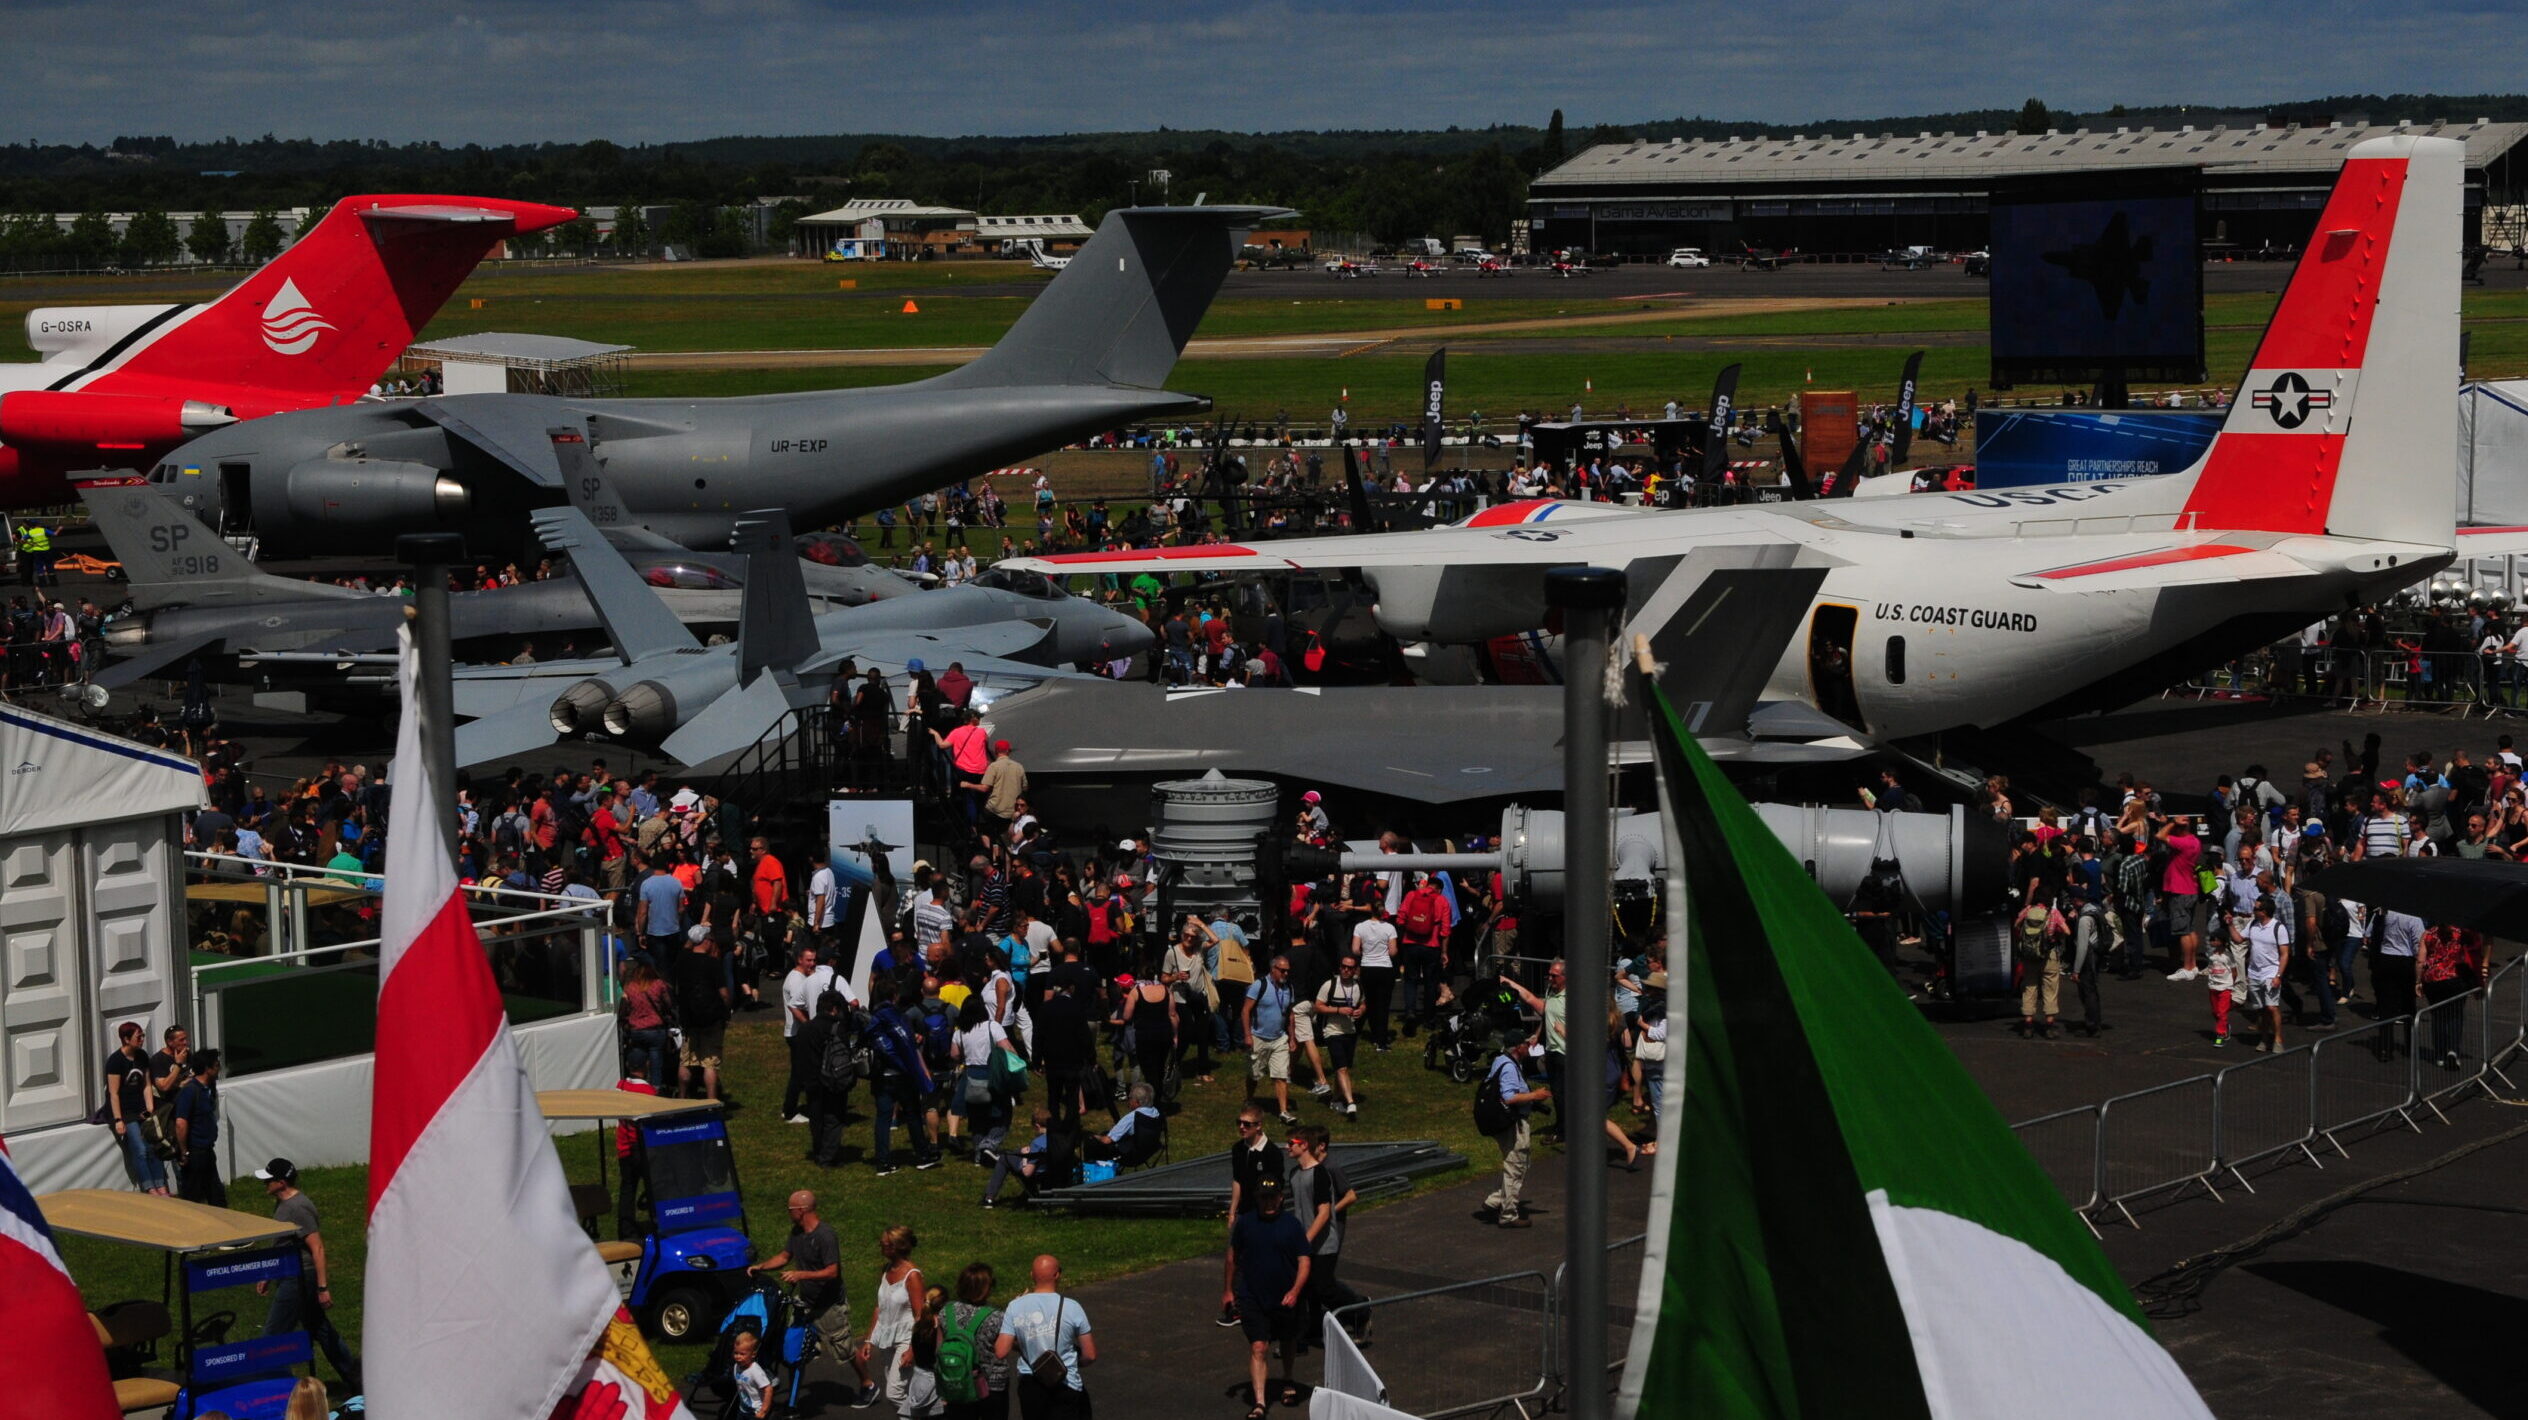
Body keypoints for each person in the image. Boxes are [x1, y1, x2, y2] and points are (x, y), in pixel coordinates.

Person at [749, 1190, 868, 1405]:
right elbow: (785, 1256)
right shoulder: (797, 1232)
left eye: (790, 1209)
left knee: (845, 1349)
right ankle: (792, 1399)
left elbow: (833, 1271)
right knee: (795, 1347)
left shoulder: (825, 1235)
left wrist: (801, 1274)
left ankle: (868, 1384)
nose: (788, 1213)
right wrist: (761, 1266)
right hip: (806, 1303)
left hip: (828, 1305)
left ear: (802, 1210)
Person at [253, 1158, 360, 1389]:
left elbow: (317, 1248)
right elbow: (282, 1243)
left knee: (273, 1335)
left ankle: (276, 1387)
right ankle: (356, 1377)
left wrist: (323, 1288)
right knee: (320, 1328)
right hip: (290, 1273)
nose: (265, 1184)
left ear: (281, 1182)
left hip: (299, 1278)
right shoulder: (284, 1204)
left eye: (269, 1180)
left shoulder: (298, 1207)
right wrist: (268, 1274)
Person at [1224, 1178, 1311, 1418]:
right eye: (1264, 1197)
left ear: (1281, 1198)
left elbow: (1304, 1261)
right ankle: (1260, 1403)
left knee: (1287, 1340)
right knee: (1259, 1346)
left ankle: (1287, 1378)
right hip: (1252, 1296)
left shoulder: (1292, 1225)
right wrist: (1229, 1290)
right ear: (1256, 1199)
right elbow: (1232, 1257)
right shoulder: (1245, 1224)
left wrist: (1295, 1291)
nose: (1269, 1202)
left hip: (1285, 1297)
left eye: (1273, 1197)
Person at [1287, 1125, 1367, 1341]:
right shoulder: (1294, 1175)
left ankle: (1360, 1309)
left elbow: (1324, 1213)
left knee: (1324, 1287)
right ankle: (1310, 1332)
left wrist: (1306, 1238)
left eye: (1291, 1144)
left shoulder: (1321, 1173)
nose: (1287, 1148)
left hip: (1323, 1244)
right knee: (1308, 1289)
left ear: (1304, 1145)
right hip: (1305, 1242)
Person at [997, 1254, 1094, 1420]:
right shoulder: (1072, 1307)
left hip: (1030, 1384)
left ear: (1031, 1275)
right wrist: (1077, 1362)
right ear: (1057, 1275)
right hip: (1065, 1383)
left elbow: (1000, 1351)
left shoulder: (1015, 1306)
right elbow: (1090, 1355)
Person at [1480, 1036, 1549, 1228]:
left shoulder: (1501, 1060)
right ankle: (1508, 1214)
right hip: (1513, 1124)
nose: (1529, 1047)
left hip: (1504, 1122)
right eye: (1526, 1044)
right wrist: (1535, 1095)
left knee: (1519, 1164)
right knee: (1516, 1166)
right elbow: (1509, 1096)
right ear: (1518, 1047)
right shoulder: (1510, 1067)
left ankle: (1495, 1200)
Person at [861, 1225, 929, 1409]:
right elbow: (880, 1308)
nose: (880, 1247)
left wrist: (912, 1350)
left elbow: (921, 1316)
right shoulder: (886, 1269)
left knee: (894, 1393)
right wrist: (869, 1340)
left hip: (905, 1340)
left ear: (895, 1247)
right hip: (887, 1340)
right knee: (902, 1393)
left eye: (883, 1244)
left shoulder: (912, 1276)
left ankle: (929, 1414)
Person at [939, 1262, 1010, 1420]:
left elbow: (939, 1346)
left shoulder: (946, 1311)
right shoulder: (996, 1317)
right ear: (985, 1288)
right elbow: (1004, 1348)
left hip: (958, 1381)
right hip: (991, 1384)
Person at [104, 1021, 166, 1194]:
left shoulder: (142, 1056)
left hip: (141, 1108)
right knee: (139, 1149)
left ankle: (161, 1185)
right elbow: (113, 1093)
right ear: (126, 1039)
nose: (142, 1040)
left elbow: (146, 1085)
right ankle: (149, 1188)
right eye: (138, 1037)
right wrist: (118, 1119)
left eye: (142, 1036)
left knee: (152, 1146)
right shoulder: (115, 1061)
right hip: (125, 1111)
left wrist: (150, 1108)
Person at [673, 928, 732, 1102]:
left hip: (688, 1019)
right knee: (710, 1062)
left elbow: (685, 948)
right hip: (711, 1019)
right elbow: (724, 994)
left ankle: (682, 1097)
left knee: (686, 1061)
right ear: (706, 941)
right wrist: (726, 1009)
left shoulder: (682, 961)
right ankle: (711, 1100)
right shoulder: (712, 963)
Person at [782, 945, 838, 1124]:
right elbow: (799, 1006)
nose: (812, 964)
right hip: (798, 1032)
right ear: (799, 960)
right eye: (808, 960)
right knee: (799, 1074)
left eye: (814, 960)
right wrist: (810, 1026)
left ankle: (792, 1108)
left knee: (799, 1073)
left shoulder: (800, 977)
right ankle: (790, 1111)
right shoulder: (797, 980)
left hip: (798, 1031)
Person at [1244, 955, 1300, 1126]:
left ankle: (1283, 1111)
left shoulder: (1288, 988)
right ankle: (1250, 1099)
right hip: (1258, 1037)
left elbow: (1289, 1014)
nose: (1285, 974)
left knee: (1281, 1075)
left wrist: (1292, 1037)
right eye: (1282, 970)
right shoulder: (1259, 986)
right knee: (1254, 1073)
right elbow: (1245, 1011)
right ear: (1273, 969)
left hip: (1279, 1038)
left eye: (1287, 971)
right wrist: (1247, 1035)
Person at [1311, 955, 1365, 1118]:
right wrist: (1337, 1010)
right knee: (1341, 1067)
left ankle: (1335, 1099)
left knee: (1343, 1068)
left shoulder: (1357, 987)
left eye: (1350, 968)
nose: (1346, 970)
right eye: (1343, 967)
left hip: (1350, 1031)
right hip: (1332, 1031)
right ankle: (1350, 1102)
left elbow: (1363, 1003)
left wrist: (1360, 1011)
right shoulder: (1330, 985)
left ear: (1355, 970)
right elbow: (1318, 1006)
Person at [172, 1048, 225, 1205]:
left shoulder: (207, 1089)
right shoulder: (190, 1091)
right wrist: (184, 1152)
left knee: (217, 1196)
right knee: (193, 1199)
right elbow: (181, 1123)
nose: (219, 1068)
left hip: (207, 1150)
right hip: (195, 1153)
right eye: (216, 1065)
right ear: (207, 1069)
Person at [2240, 896, 2292, 1053]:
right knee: (2261, 1008)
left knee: (2271, 1007)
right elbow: (2238, 939)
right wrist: (2229, 924)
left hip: (2271, 972)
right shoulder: (2253, 925)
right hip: (2254, 973)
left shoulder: (2279, 928)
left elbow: (2284, 954)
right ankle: (2264, 1038)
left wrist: (2278, 976)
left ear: (2264, 912)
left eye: (2256, 908)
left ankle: (2277, 1038)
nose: (2253, 911)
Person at [1351, 902, 1399, 1050]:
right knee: (1383, 1005)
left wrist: (1365, 952)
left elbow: (1355, 949)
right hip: (1384, 968)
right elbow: (1392, 952)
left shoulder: (1360, 927)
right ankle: (1382, 1040)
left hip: (1367, 967)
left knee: (1370, 1003)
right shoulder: (1389, 928)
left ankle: (1374, 1034)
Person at [732, 1329, 774, 1420]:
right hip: (743, 1408)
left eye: (742, 1354)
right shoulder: (736, 1367)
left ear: (753, 1354)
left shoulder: (755, 1371)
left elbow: (768, 1389)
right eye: (736, 1353)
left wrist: (763, 1411)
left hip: (756, 1411)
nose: (738, 1357)